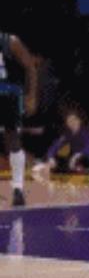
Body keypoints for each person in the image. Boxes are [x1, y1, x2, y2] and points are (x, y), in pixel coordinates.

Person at [0, 31, 38, 206]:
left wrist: (31, 95)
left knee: (13, 139)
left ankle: (18, 188)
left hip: (9, 95)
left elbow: (30, 67)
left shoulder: (10, 41)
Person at [33, 110, 89, 175]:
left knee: (79, 161)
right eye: (69, 121)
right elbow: (55, 145)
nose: (72, 122)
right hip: (75, 162)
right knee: (55, 161)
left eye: (74, 119)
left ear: (79, 121)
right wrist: (50, 157)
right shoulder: (67, 134)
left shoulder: (87, 132)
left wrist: (77, 155)